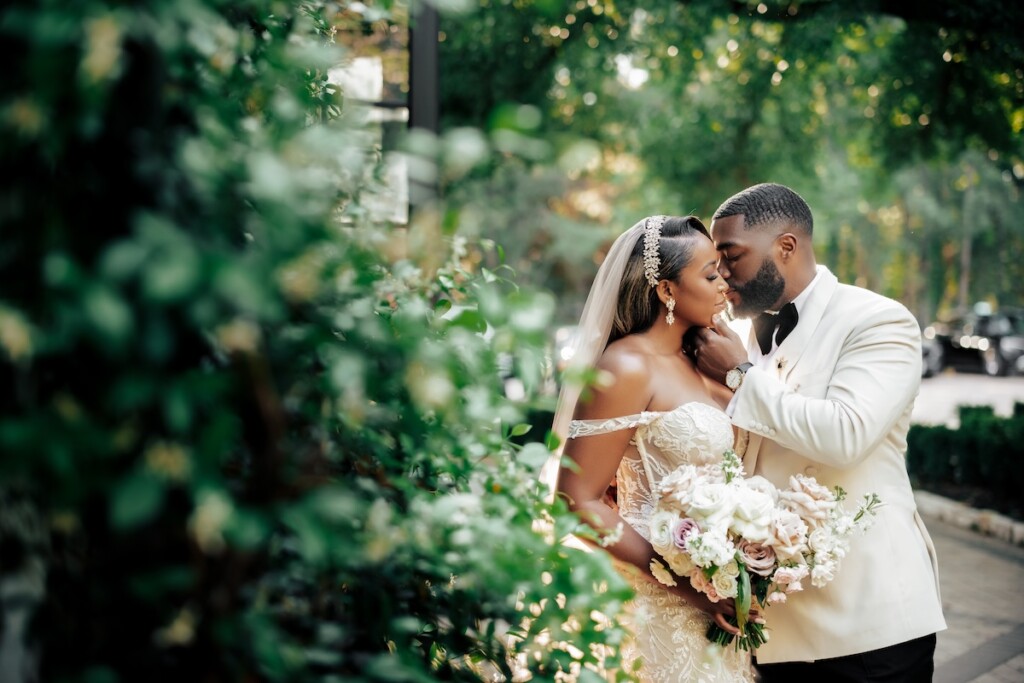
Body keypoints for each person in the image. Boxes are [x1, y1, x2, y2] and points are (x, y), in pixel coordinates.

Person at [691, 183, 946, 682]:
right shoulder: (737, 337)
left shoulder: (878, 321)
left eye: (732, 255)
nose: (720, 271)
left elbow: (846, 435)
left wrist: (742, 375)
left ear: (786, 246)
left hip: (871, 623)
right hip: (776, 627)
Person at [549, 215, 756, 682]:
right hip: (660, 601)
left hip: (723, 603)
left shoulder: (709, 358)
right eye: (709, 274)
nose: (724, 282)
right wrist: (690, 585)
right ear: (666, 290)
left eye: (722, 268)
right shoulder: (626, 367)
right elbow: (574, 502)